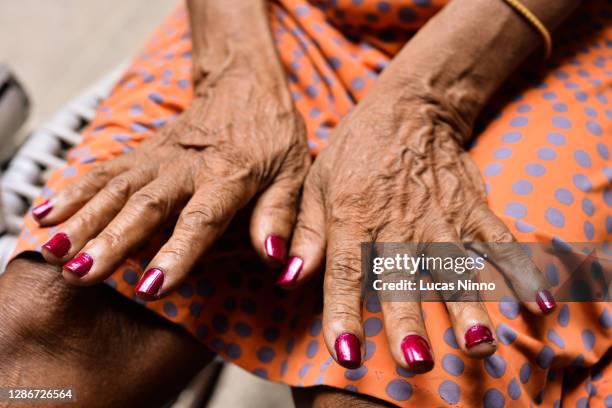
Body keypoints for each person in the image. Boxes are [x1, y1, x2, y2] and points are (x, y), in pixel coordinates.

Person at [1, 0, 609, 406]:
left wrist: (421, 101)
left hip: (560, 37)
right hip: (282, 15)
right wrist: (233, 73)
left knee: (403, 366)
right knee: (46, 322)